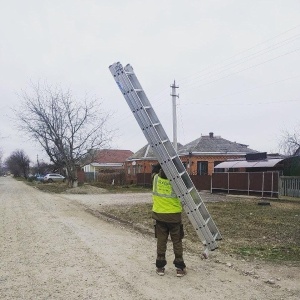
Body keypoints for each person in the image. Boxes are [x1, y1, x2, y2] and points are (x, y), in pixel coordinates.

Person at [151, 164, 186, 277]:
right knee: (177, 241)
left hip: (160, 216)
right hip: (174, 217)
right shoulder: (177, 181)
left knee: (161, 241)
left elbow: (154, 170)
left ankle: (160, 267)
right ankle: (180, 268)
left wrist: (160, 163)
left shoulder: (155, 178)